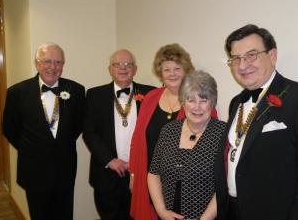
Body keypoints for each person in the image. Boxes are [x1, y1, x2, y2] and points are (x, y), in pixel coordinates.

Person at [215, 24, 298, 220]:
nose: (242, 65)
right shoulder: (236, 102)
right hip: (232, 210)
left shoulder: (295, 97)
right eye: (236, 59)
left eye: (251, 55)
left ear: (272, 55)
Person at [129, 43, 218, 220]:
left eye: (177, 68)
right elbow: (137, 138)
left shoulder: (198, 105)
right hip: (149, 173)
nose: (172, 73)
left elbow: (209, 150)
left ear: (186, 71)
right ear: (160, 72)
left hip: (182, 182)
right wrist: (133, 173)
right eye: (166, 69)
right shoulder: (151, 97)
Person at [2, 42, 85, 220]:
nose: (52, 67)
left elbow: (78, 125)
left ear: (63, 65)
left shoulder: (76, 90)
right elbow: (9, 128)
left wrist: (60, 143)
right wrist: (31, 147)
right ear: (37, 63)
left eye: (58, 62)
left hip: (65, 168)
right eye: (47, 61)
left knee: (64, 215)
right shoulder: (17, 92)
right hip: (34, 170)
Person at [83, 49, 155, 220]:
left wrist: (139, 165)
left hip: (141, 174)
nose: (123, 68)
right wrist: (110, 160)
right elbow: (90, 133)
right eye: (118, 65)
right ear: (110, 69)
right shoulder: (94, 95)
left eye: (128, 64)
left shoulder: (151, 94)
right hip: (107, 173)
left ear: (135, 69)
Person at [148, 70, 226, 220]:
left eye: (203, 100)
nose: (197, 107)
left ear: (213, 102)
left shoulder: (223, 133)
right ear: (183, 102)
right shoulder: (168, 130)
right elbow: (153, 173)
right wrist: (161, 211)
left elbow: (224, 184)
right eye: (191, 100)